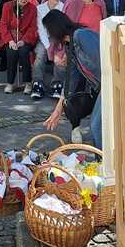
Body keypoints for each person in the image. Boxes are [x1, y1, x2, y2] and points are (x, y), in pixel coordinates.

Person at [42, 9, 102, 147]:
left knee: (96, 126)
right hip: (103, 86)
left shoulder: (81, 35)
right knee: (98, 126)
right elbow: (70, 81)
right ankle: (103, 157)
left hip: (110, 83)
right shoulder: (71, 46)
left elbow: (102, 60)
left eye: (49, 30)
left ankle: (103, 158)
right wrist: (58, 110)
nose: (49, 35)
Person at [0, 0, 37, 94]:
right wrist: (10, 40)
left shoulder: (32, 8)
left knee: (24, 52)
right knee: (11, 53)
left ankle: (28, 82)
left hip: (25, 37)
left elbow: (33, 27)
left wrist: (24, 40)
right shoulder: (7, 6)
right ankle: (10, 83)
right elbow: (3, 24)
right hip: (11, 37)